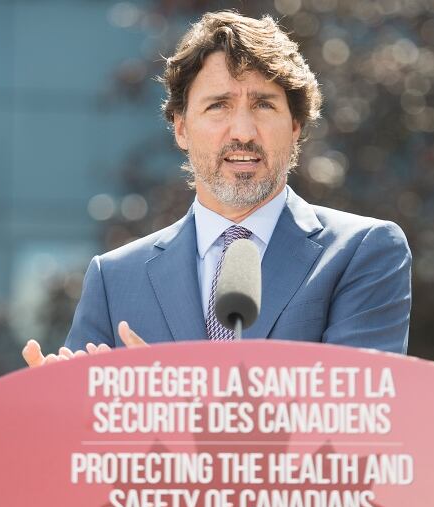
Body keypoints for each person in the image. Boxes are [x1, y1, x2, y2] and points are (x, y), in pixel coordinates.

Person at [22, 10, 411, 367]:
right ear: (181, 128)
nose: (242, 132)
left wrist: (172, 397)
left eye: (263, 105)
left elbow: (353, 417)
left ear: (296, 126)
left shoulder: (363, 252)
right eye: (218, 106)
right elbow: (88, 436)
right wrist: (65, 406)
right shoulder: (114, 278)